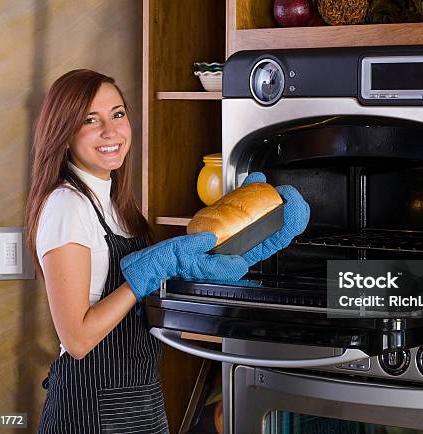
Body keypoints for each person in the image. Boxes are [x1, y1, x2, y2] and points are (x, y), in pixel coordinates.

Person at [24, 69, 309, 434]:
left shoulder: (116, 206)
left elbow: (153, 293)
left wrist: (254, 246)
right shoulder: (67, 205)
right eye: (89, 120)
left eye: (118, 114)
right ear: (63, 135)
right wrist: (145, 274)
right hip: (91, 408)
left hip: (140, 401)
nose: (111, 131)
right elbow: (77, 339)